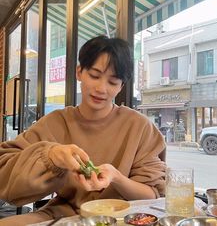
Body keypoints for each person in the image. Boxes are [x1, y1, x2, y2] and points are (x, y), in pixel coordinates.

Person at [0, 36, 166, 225]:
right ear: (79, 72)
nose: (101, 88)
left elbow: (152, 194)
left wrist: (116, 178)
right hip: (64, 214)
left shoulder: (139, 126)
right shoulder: (55, 122)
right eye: (94, 75)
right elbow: (4, 167)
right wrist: (51, 157)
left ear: (121, 86)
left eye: (112, 82)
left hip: (124, 216)